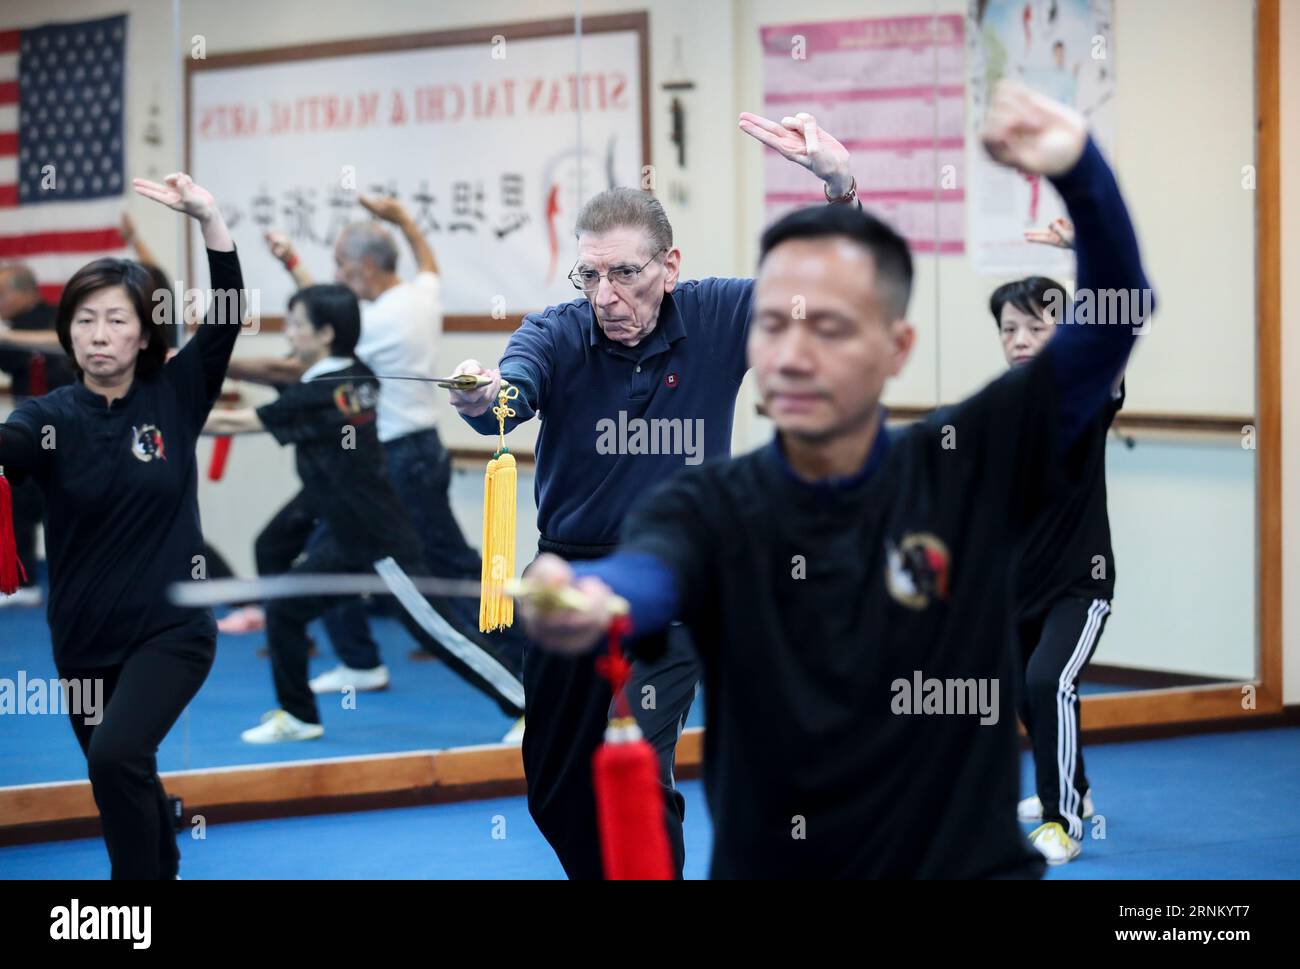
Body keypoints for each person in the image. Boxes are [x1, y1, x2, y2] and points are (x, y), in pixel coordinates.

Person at [517, 81, 1155, 878]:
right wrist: (598, 596)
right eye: (774, 323)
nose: (791, 348)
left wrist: (1080, 170)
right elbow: (652, 573)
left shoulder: (963, 462)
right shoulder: (713, 503)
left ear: (896, 346)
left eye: (825, 323)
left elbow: (1114, 323)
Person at [448, 109, 860, 878]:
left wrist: (837, 185)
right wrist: (483, 398)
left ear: (669, 264)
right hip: (567, 581)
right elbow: (510, 393)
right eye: (590, 275)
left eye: (625, 274)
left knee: (637, 765)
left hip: (672, 583)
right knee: (556, 786)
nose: (606, 294)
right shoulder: (558, 330)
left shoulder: (716, 314)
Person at [0, 172, 245, 878]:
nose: (98, 334)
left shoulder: (175, 394)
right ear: (66, 331)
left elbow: (226, 315)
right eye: (84, 319)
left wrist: (209, 219)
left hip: (171, 629)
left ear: (144, 333)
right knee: (119, 781)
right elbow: (11, 446)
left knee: (116, 755)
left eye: (115, 319)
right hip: (80, 636)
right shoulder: (44, 417)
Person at [224, 200, 523, 713]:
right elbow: (422, 265)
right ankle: (364, 660)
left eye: (341, 267)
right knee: (433, 563)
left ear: (363, 270)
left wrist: (207, 365)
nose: (336, 277)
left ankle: (516, 671)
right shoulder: (420, 297)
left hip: (395, 459)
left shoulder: (376, 324)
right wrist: (402, 220)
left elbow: (303, 348)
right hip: (421, 450)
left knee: (406, 568)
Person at [990, 231, 1125, 865]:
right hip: (1020, 587)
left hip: (1080, 586)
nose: (1019, 340)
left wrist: (1086, 255)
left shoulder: (1087, 393)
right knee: (1024, 692)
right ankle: (1079, 788)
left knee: (1049, 681)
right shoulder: (1004, 408)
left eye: (1035, 329)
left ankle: (1062, 819)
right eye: (1009, 330)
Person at [0, 262, 75, 607]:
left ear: (25, 291)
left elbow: (62, 343)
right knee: (17, 498)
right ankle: (25, 581)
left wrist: (9, 336)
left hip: (67, 426)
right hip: (27, 427)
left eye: (2, 293)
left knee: (68, 505)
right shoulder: (10, 326)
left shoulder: (57, 317)